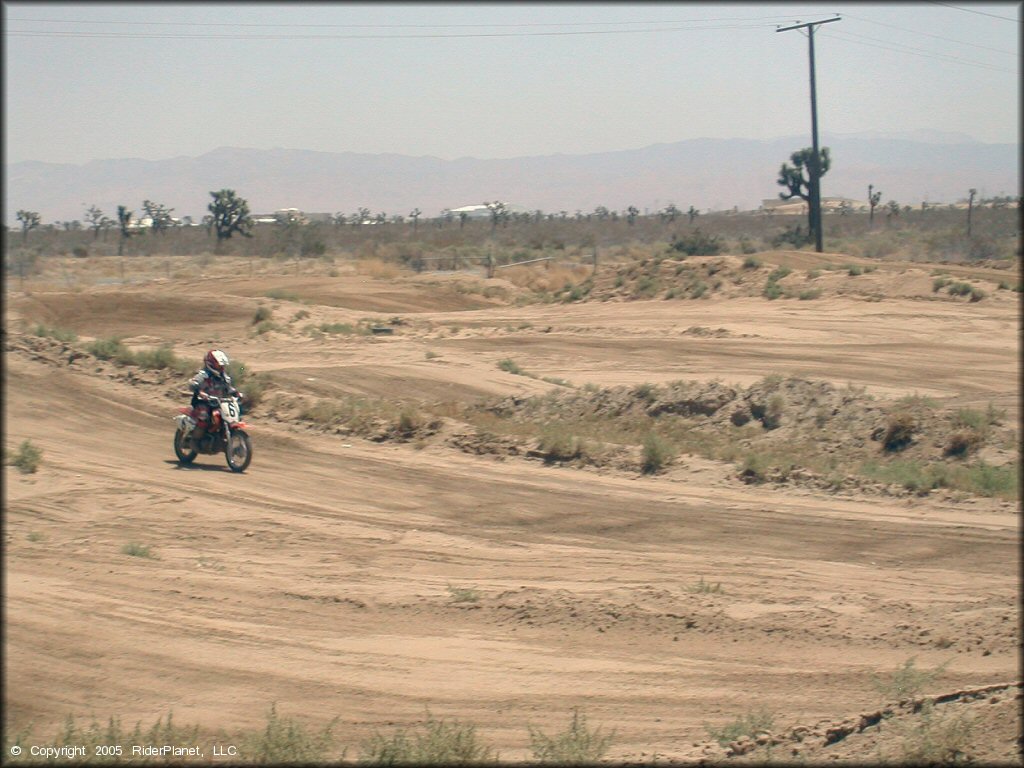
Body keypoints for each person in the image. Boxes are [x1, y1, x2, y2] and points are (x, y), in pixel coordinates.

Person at [188, 349, 242, 436]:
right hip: (203, 402)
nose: (221, 367)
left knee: (233, 415)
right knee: (203, 416)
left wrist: (236, 393)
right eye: (219, 365)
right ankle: (196, 438)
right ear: (211, 364)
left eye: (222, 365)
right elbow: (192, 383)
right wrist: (199, 391)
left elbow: (228, 388)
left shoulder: (224, 377)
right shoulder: (204, 375)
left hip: (219, 404)